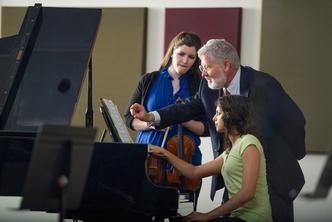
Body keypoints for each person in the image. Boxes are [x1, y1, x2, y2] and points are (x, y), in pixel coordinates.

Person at [130, 39, 306, 222]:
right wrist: (151, 117)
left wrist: (286, 156)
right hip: (232, 176)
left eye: (206, 67)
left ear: (226, 65)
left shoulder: (264, 85)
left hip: (274, 181)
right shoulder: (208, 87)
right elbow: (187, 108)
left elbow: (295, 121)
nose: (202, 73)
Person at [149, 95, 272, 222]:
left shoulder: (249, 142)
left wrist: (207, 215)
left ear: (231, 116)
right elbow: (194, 172)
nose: (214, 118)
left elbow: (248, 193)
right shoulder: (229, 152)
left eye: (218, 113)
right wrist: (165, 153)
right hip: (237, 217)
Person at [124, 32, 206, 195]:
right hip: (148, 157)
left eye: (191, 57)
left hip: (185, 160)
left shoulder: (201, 86)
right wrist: (152, 124)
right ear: (172, 53)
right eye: (181, 54)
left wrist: (181, 119)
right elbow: (129, 120)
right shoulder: (149, 80)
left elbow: (206, 129)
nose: (185, 61)